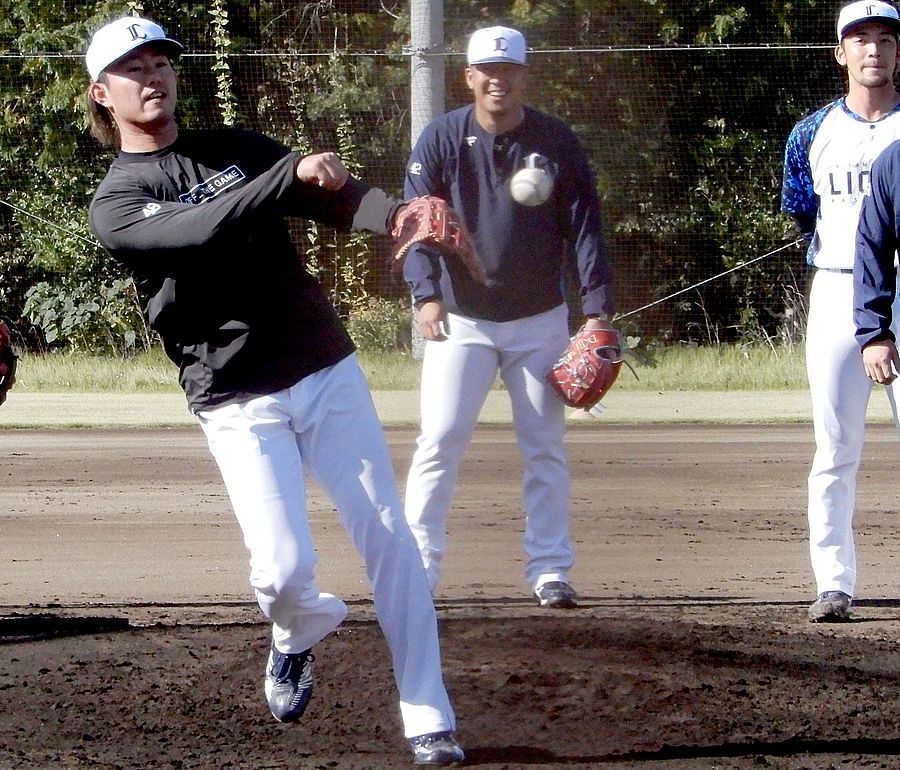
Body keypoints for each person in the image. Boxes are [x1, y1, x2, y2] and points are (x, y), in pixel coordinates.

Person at [84, 16, 464, 765]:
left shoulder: (235, 146)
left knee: (390, 538)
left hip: (322, 366)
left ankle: (430, 716)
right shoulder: (117, 203)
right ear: (103, 93)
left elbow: (330, 195)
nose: (152, 75)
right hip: (233, 396)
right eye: (132, 67)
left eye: (160, 60)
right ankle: (292, 634)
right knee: (284, 570)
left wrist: (398, 214)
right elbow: (195, 231)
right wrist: (284, 177)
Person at [400, 25, 615, 609]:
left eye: (508, 69)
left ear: (524, 74)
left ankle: (549, 568)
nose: (498, 79)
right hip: (461, 320)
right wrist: (425, 294)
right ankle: (417, 568)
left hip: (540, 319)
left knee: (544, 446)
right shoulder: (441, 137)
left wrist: (596, 311)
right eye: (486, 70)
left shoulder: (556, 141)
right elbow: (417, 221)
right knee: (439, 442)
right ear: (468, 76)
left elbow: (586, 229)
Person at [781, 0, 900, 623]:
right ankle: (834, 581)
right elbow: (803, 210)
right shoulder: (811, 132)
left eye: (885, 38)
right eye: (860, 39)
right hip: (835, 288)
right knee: (835, 446)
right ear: (840, 53)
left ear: (898, 52)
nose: (873, 49)